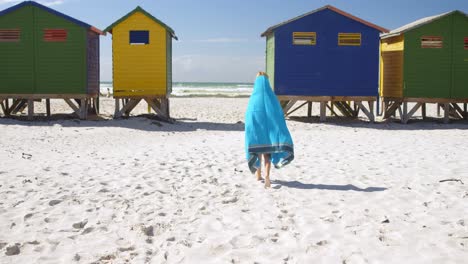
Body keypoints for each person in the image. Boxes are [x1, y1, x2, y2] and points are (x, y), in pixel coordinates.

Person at [245, 72, 294, 188]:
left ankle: (258, 176)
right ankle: (267, 176)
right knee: (267, 154)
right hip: (269, 132)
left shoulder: (254, 97)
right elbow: (278, 115)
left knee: (257, 152)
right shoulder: (271, 97)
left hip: (256, 131)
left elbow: (249, 115)